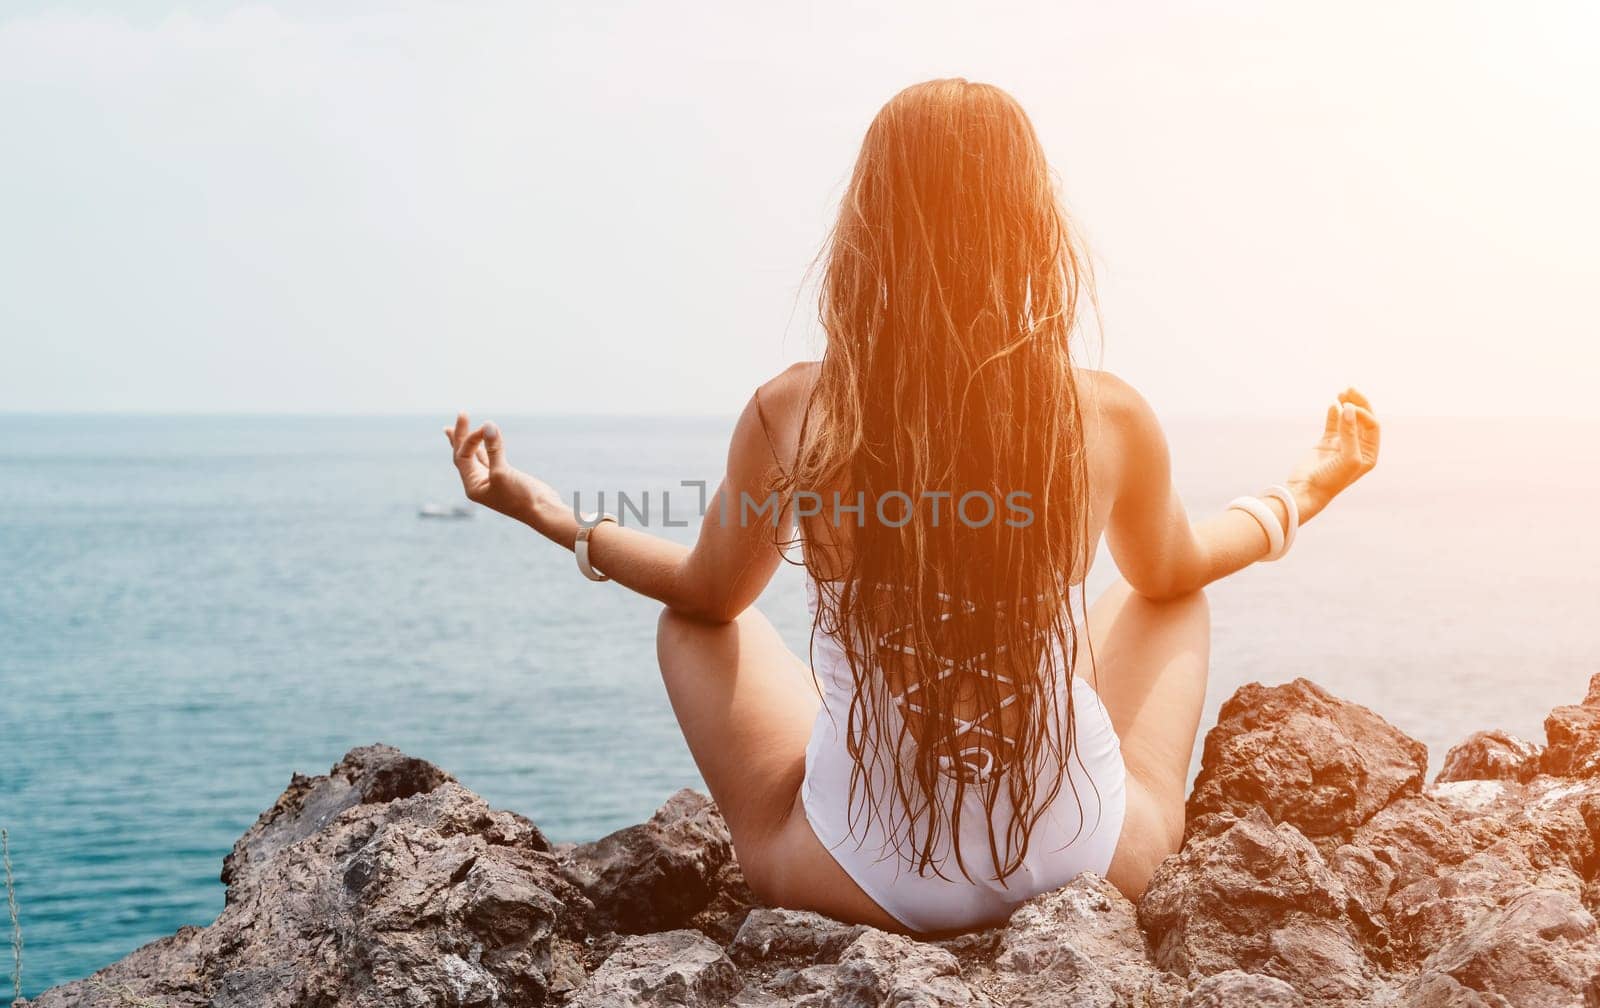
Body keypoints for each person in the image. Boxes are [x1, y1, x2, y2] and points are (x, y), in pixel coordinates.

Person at [444, 78, 1380, 936]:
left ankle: (875, 775)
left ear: (868, 224)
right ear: (1034, 225)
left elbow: (708, 592)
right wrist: (1305, 488)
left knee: (692, 627)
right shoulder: (1104, 414)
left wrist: (554, 516)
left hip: (865, 879)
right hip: (1089, 857)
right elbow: (1174, 569)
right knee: (1160, 593)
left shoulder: (796, 411)